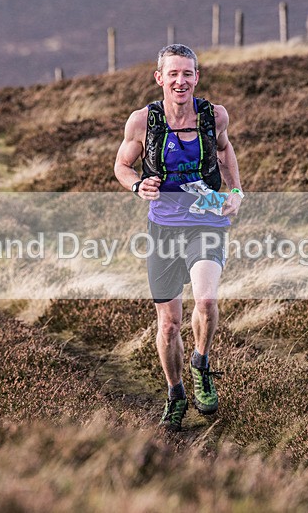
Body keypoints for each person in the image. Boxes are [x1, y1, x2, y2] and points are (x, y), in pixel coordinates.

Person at [114, 44, 244, 432]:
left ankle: (201, 364)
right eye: (173, 74)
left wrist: (235, 191)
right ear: (160, 78)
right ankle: (175, 393)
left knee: (205, 300)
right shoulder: (143, 122)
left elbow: (224, 151)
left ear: (196, 77)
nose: (180, 81)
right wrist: (138, 185)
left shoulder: (213, 116)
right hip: (163, 229)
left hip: (206, 222)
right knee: (169, 324)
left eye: (187, 73)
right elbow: (121, 165)